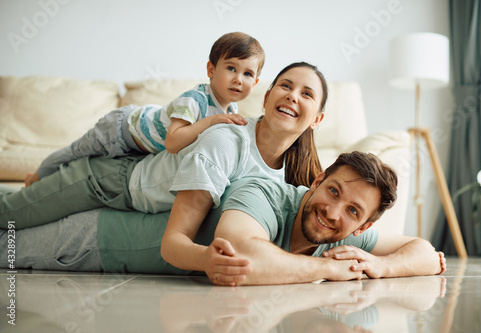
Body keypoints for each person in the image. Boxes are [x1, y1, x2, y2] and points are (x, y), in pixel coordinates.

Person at [0, 61, 327, 285]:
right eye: (285, 85)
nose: (292, 95)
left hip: (135, 203)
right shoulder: (227, 138)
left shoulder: (283, 179)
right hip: (107, 179)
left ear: (317, 120)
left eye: (307, 94)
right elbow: (175, 240)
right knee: (13, 214)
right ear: (267, 97)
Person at [0, 152, 447, 286]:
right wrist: (330, 269)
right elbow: (247, 259)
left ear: (363, 226)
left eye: (352, 211)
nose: (332, 212)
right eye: (332, 191)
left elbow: (428, 252)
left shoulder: (343, 235)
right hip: (92, 239)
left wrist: (384, 266)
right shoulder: (266, 192)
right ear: (316, 182)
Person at [24, 31, 264, 186]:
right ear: (211, 70)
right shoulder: (195, 99)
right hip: (120, 128)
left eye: (247, 74)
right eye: (231, 68)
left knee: (80, 171)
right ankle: (35, 177)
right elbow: (173, 142)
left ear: (254, 83)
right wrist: (211, 122)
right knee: (75, 153)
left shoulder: (230, 109)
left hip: (138, 149)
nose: (238, 79)